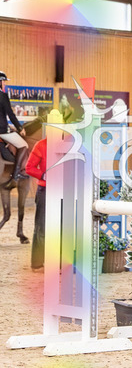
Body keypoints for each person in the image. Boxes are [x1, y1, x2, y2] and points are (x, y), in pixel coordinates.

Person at [0, 71, 29, 190]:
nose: (4, 84)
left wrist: (10, 126)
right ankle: (15, 177)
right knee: (24, 145)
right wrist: (19, 128)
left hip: (3, 127)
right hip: (1, 130)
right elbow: (11, 115)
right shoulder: (2, 96)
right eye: (3, 82)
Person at [25, 137, 46, 271]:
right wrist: (43, 175)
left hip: (65, 189)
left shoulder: (70, 143)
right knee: (41, 226)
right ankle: (37, 263)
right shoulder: (41, 145)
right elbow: (29, 167)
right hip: (45, 189)